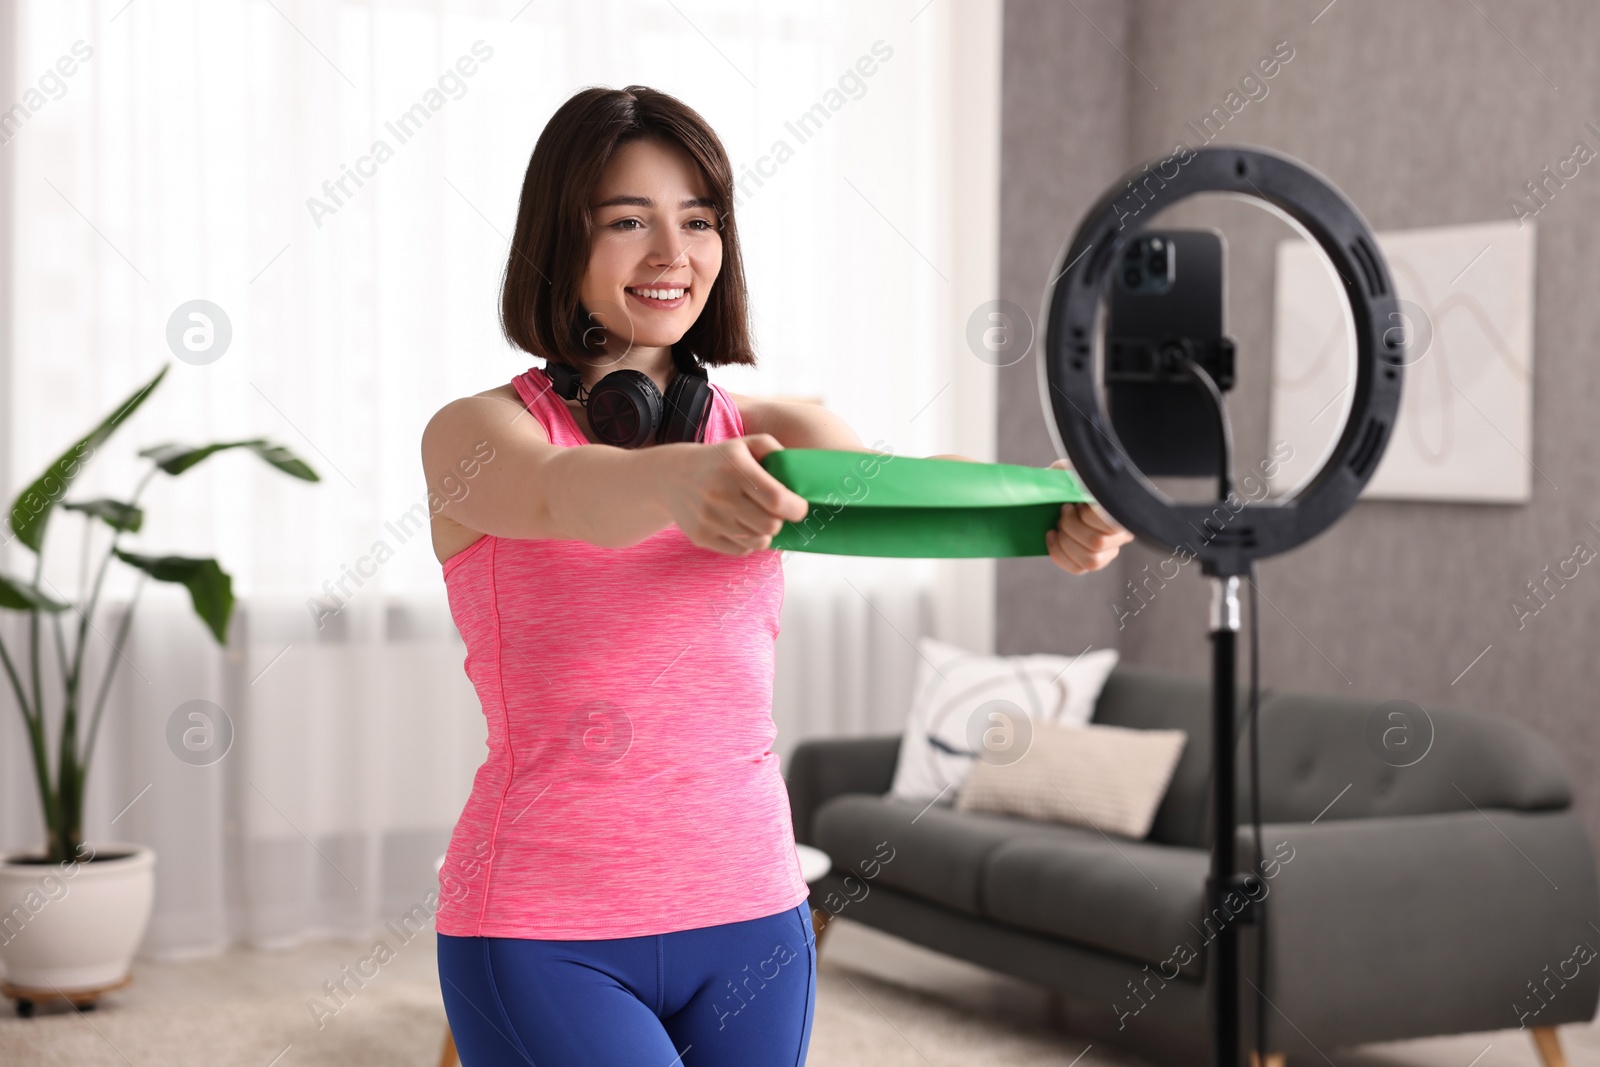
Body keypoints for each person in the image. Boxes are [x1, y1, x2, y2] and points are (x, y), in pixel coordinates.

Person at [421, 83, 1133, 1067]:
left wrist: (1052, 508)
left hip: (753, 913)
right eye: (628, 220)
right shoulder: (478, 433)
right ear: (560, 238)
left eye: (699, 220)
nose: (673, 253)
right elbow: (557, 495)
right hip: (544, 925)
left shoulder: (775, 433)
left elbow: (904, 497)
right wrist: (678, 479)